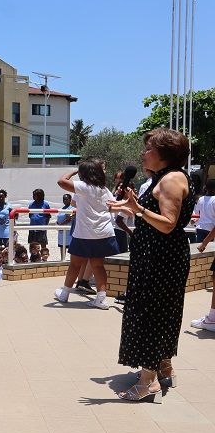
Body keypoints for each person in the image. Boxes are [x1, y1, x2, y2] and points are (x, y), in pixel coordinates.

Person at [107, 128, 194, 402]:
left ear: (164, 154)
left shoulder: (171, 180)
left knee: (151, 315)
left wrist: (138, 209)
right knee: (163, 312)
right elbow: (153, 215)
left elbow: (168, 224)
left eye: (148, 149)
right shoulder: (164, 177)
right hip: (155, 256)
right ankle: (165, 367)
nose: (143, 153)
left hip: (161, 258)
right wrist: (127, 207)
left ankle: (148, 381)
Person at [53, 160, 119, 309]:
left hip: (84, 232)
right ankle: (101, 299)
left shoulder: (83, 186)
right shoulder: (104, 189)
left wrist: (73, 172)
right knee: (98, 265)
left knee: (75, 264)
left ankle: (64, 293)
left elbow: (61, 181)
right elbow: (112, 207)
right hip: (104, 232)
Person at [56, 193, 75, 260]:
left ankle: (72, 260)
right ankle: (62, 259)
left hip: (68, 231)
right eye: (64, 199)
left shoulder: (72, 208)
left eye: (67, 199)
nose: (65, 201)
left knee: (71, 246)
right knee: (62, 246)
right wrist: (56, 224)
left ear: (70, 200)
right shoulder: (61, 208)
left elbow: (68, 219)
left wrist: (60, 225)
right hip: (61, 230)